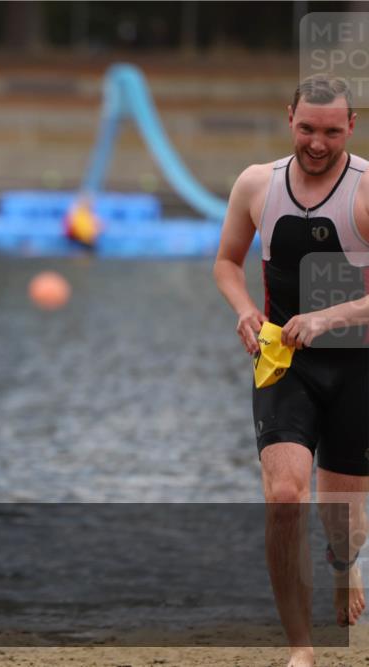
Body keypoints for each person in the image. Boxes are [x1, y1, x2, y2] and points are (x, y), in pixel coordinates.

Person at [214, 75, 369, 667]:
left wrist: (329, 317)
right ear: (289, 119)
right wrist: (245, 309)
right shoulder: (258, 183)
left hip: (357, 368)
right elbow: (228, 262)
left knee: (344, 529)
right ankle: (301, 649)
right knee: (283, 497)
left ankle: (344, 565)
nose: (318, 143)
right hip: (284, 363)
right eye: (307, 128)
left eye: (332, 130)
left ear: (351, 126)